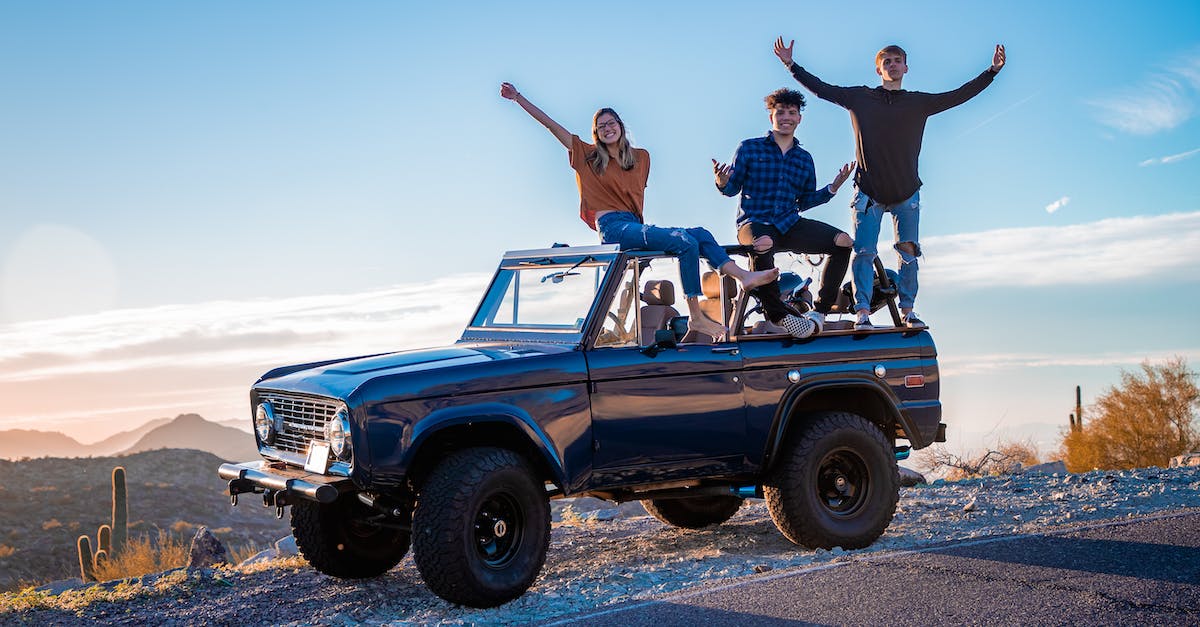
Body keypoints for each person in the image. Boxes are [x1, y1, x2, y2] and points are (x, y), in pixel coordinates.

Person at [500, 82, 778, 340]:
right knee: (683, 240)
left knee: (700, 234)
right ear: (595, 134)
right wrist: (518, 98)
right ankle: (696, 317)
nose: (607, 128)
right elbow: (551, 126)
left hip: (634, 225)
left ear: (620, 126)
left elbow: (634, 200)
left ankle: (743, 276)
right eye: (601, 126)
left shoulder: (641, 158)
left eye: (611, 123)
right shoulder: (587, 156)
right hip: (612, 227)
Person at [774, 37, 1006, 330]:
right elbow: (822, 89)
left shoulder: (919, 103)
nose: (893, 65)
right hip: (868, 193)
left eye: (897, 61)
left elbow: (958, 95)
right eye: (887, 62)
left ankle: (908, 311)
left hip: (906, 193)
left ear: (906, 68)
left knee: (909, 253)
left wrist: (992, 72)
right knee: (863, 253)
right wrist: (791, 65)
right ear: (878, 69)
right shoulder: (859, 98)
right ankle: (862, 314)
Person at [713, 88, 854, 338]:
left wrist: (832, 188)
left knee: (843, 242)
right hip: (754, 223)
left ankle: (819, 311)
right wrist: (723, 181)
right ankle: (778, 314)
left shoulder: (804, 159)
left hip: (789, 223)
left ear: (799, 118)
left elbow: (805, 200)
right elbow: (731, 189)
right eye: (780, 112)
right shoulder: (749, 148)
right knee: (763, 242)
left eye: (792, 112)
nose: (786, 117)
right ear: (771, 117)